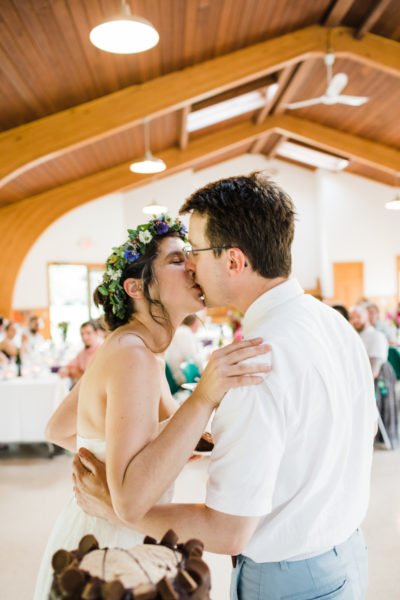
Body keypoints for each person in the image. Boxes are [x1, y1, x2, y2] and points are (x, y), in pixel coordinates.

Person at [75, 174, 377, 600]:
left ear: (233, 261)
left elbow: (228, 531)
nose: (192, 265)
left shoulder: (250, 365)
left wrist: (119, 511)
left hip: (289, 579)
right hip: (345, 552)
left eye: (194, 252)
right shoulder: (331, 320)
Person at [33, 214, 269, 599]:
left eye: (189, 255)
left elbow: (57, 429)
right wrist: (203, 396)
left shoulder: (139, 348)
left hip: (107, 524)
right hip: (115, 543)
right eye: (176, 261)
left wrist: (116, 456)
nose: (192, 264)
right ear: (136, 288)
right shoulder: (133, 355)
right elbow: (132, 499)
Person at [349, 304, 389, 379]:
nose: (354, 321)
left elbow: (374, 371)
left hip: (372, 383)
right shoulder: (354, 336)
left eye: (358, 317)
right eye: (351, 318)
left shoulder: (377, 336)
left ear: (367, 316)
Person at [165, 314, 203, 384]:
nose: (199, 325)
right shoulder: (184, 332)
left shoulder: (181, 331)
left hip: (177, 374)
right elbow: (192, 358)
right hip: (180, 377)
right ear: (194, 322)